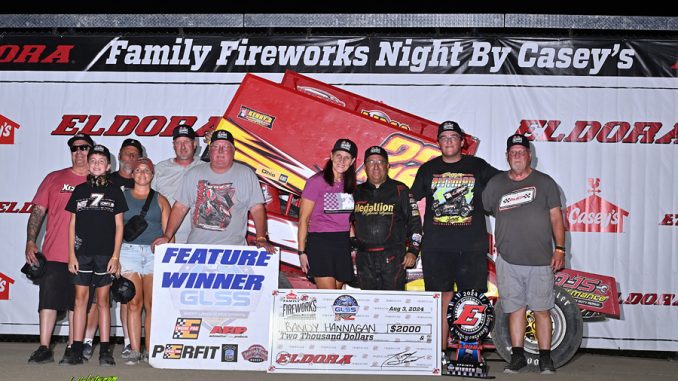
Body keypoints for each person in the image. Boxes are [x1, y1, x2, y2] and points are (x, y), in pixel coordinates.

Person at [411, 121, 500, 353]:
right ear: (438, 142)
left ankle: (468, 355)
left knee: (470, 300)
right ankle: (438, 354)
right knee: (441, 299)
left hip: (471, 247)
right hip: (436, 247)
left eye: (453, 137)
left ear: (462, 142)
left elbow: (505, 183)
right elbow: (408, 200)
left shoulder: (477, 165)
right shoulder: (428, 169)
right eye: (444, 137)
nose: (449, 141)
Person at [482, 134, 566, 374]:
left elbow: (556, 218)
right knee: (514, 309)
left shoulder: (545, 182)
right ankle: (517, 356)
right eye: (513, 152)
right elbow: (482, 210)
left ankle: (545, 358)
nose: (517, 155)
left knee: (542, 309)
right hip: (507, 260)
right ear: (506, 156)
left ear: (530, 155)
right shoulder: (496, 184)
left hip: (541, 261)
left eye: (521, 151)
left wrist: (560, 248)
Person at [25, 133, 93, 364]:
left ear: (91, 151)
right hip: (54, 251)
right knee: (48, 302)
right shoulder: (54, 178)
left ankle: (73, 347)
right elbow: (37, 212)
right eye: (75, 148)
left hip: (85, 255)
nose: (79, 152)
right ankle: (44, 347)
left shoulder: (100, 181)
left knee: (78, 303)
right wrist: (31, 240)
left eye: (84, 148)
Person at [152, 129, 274, 253]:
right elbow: (180, 207)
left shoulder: (246, 174)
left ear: (233, 151)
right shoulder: (193, 173)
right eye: (216, 147)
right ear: (209, 151)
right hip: (197, 249)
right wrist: (167, 236)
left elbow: (257, 208)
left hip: (235, 251)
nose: (220, 151)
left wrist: (261, 238)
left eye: (225, 147)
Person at [64, 144, 128, 366]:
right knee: (80, 300)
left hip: (105, 255)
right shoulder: (79, 191)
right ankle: (76, 349)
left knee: (103, 302)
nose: (97, 164)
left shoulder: (115, 192)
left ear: (109, 166)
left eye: (101, 161)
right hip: (82, 254)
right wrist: (71, 254)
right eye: (93, 161)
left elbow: (119, 226)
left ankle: (104, 351)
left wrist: (115, 257)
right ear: (88, 165)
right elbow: (72, 223)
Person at [120, 157, 171, 365]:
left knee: (151, 304)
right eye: (138, 170)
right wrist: (114, 257)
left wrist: (167, 258)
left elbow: (169, 234)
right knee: (133, 303)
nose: (142, 174)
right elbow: (114, 229)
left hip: (154, 255)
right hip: (128, 252)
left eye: (146, 171)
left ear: (152, 175)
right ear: (132, 174)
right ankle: (134, 349)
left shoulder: (161, 200)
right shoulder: (122, 197)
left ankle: (150, 349)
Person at [351, 146, 422, 290]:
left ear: (387, 166)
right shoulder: (355, 192)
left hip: (394, 258)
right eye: (371, 162)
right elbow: (342, 222)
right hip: (365, 259)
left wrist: (413, 251)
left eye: (380, 162)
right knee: (368, 304)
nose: (376, 167)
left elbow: (415, 222)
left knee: (393, 305)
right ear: (365, 167)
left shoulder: (400, 190)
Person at [297, 138, 357, 290]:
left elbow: (348, 220)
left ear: (352, 161)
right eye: (338, 155)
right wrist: (302, 252)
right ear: (331, 156)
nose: (342, 161)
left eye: (347, 157)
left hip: (342, 244)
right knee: (329, 297)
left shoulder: (350, 185)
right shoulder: (316, 182)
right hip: (320, 243)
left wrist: (353, 245)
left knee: (336, 297)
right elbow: (303, 219)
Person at [109, 137, 143, 358]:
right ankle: (126, 341)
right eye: (127, 153)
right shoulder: (107, 180)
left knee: (130, 294)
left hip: (134, 247)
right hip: (107, 245)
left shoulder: (143, 181)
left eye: (134, 154)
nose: (130, 157)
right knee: (114, 296)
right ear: (119, 155)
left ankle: (133, 342)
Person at [152, 125, 201, 244]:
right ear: (173, 145)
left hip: (201, 238)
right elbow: (150, 201)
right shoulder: (160, 168)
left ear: (194, 144)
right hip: (166, 238)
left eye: (187, 142)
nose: (183, 147)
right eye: (178, 142)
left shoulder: (206, 167)